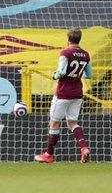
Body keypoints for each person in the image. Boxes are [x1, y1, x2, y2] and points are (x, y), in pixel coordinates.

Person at [35, 28, 92, 164]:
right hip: (77, 92)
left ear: (68, 39)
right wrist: (76, 74)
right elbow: (89, 75)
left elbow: (60, 72)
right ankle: (84, 148)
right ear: (79, 39)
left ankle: (49, 154)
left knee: (54, 122)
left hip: (63, 93)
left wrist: (54, 75)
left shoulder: (65, 52)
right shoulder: (86, 55)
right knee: (72, 122)